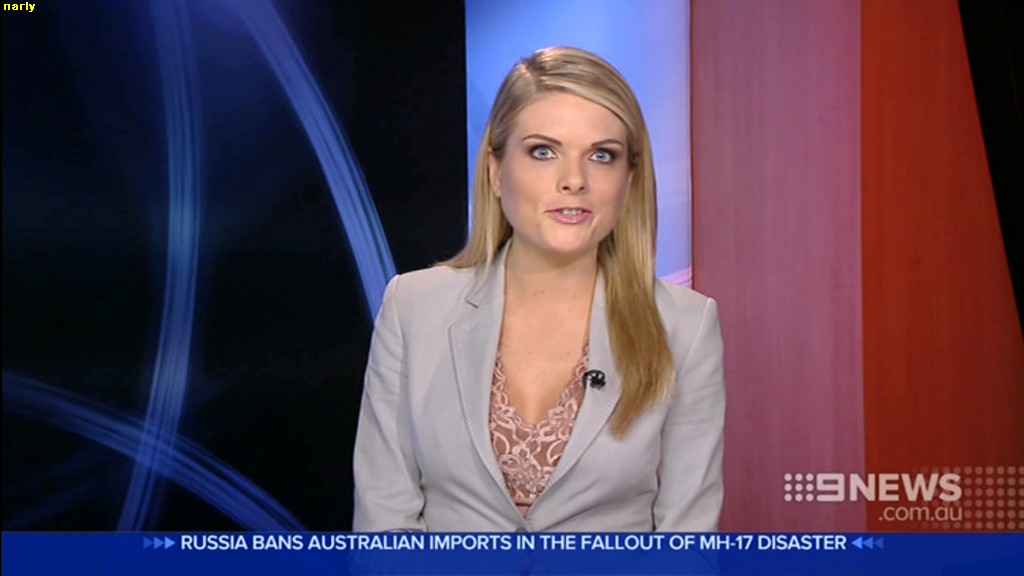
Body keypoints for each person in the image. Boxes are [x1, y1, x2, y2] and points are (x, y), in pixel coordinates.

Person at [352, 46, 725, 532]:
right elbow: (384, 527)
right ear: (495, 171)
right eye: (544, 152)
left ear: (629, 180)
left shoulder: (685, 326)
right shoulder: (413, 307)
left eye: (602, 156)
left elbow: (686, 544)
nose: (574, 181)